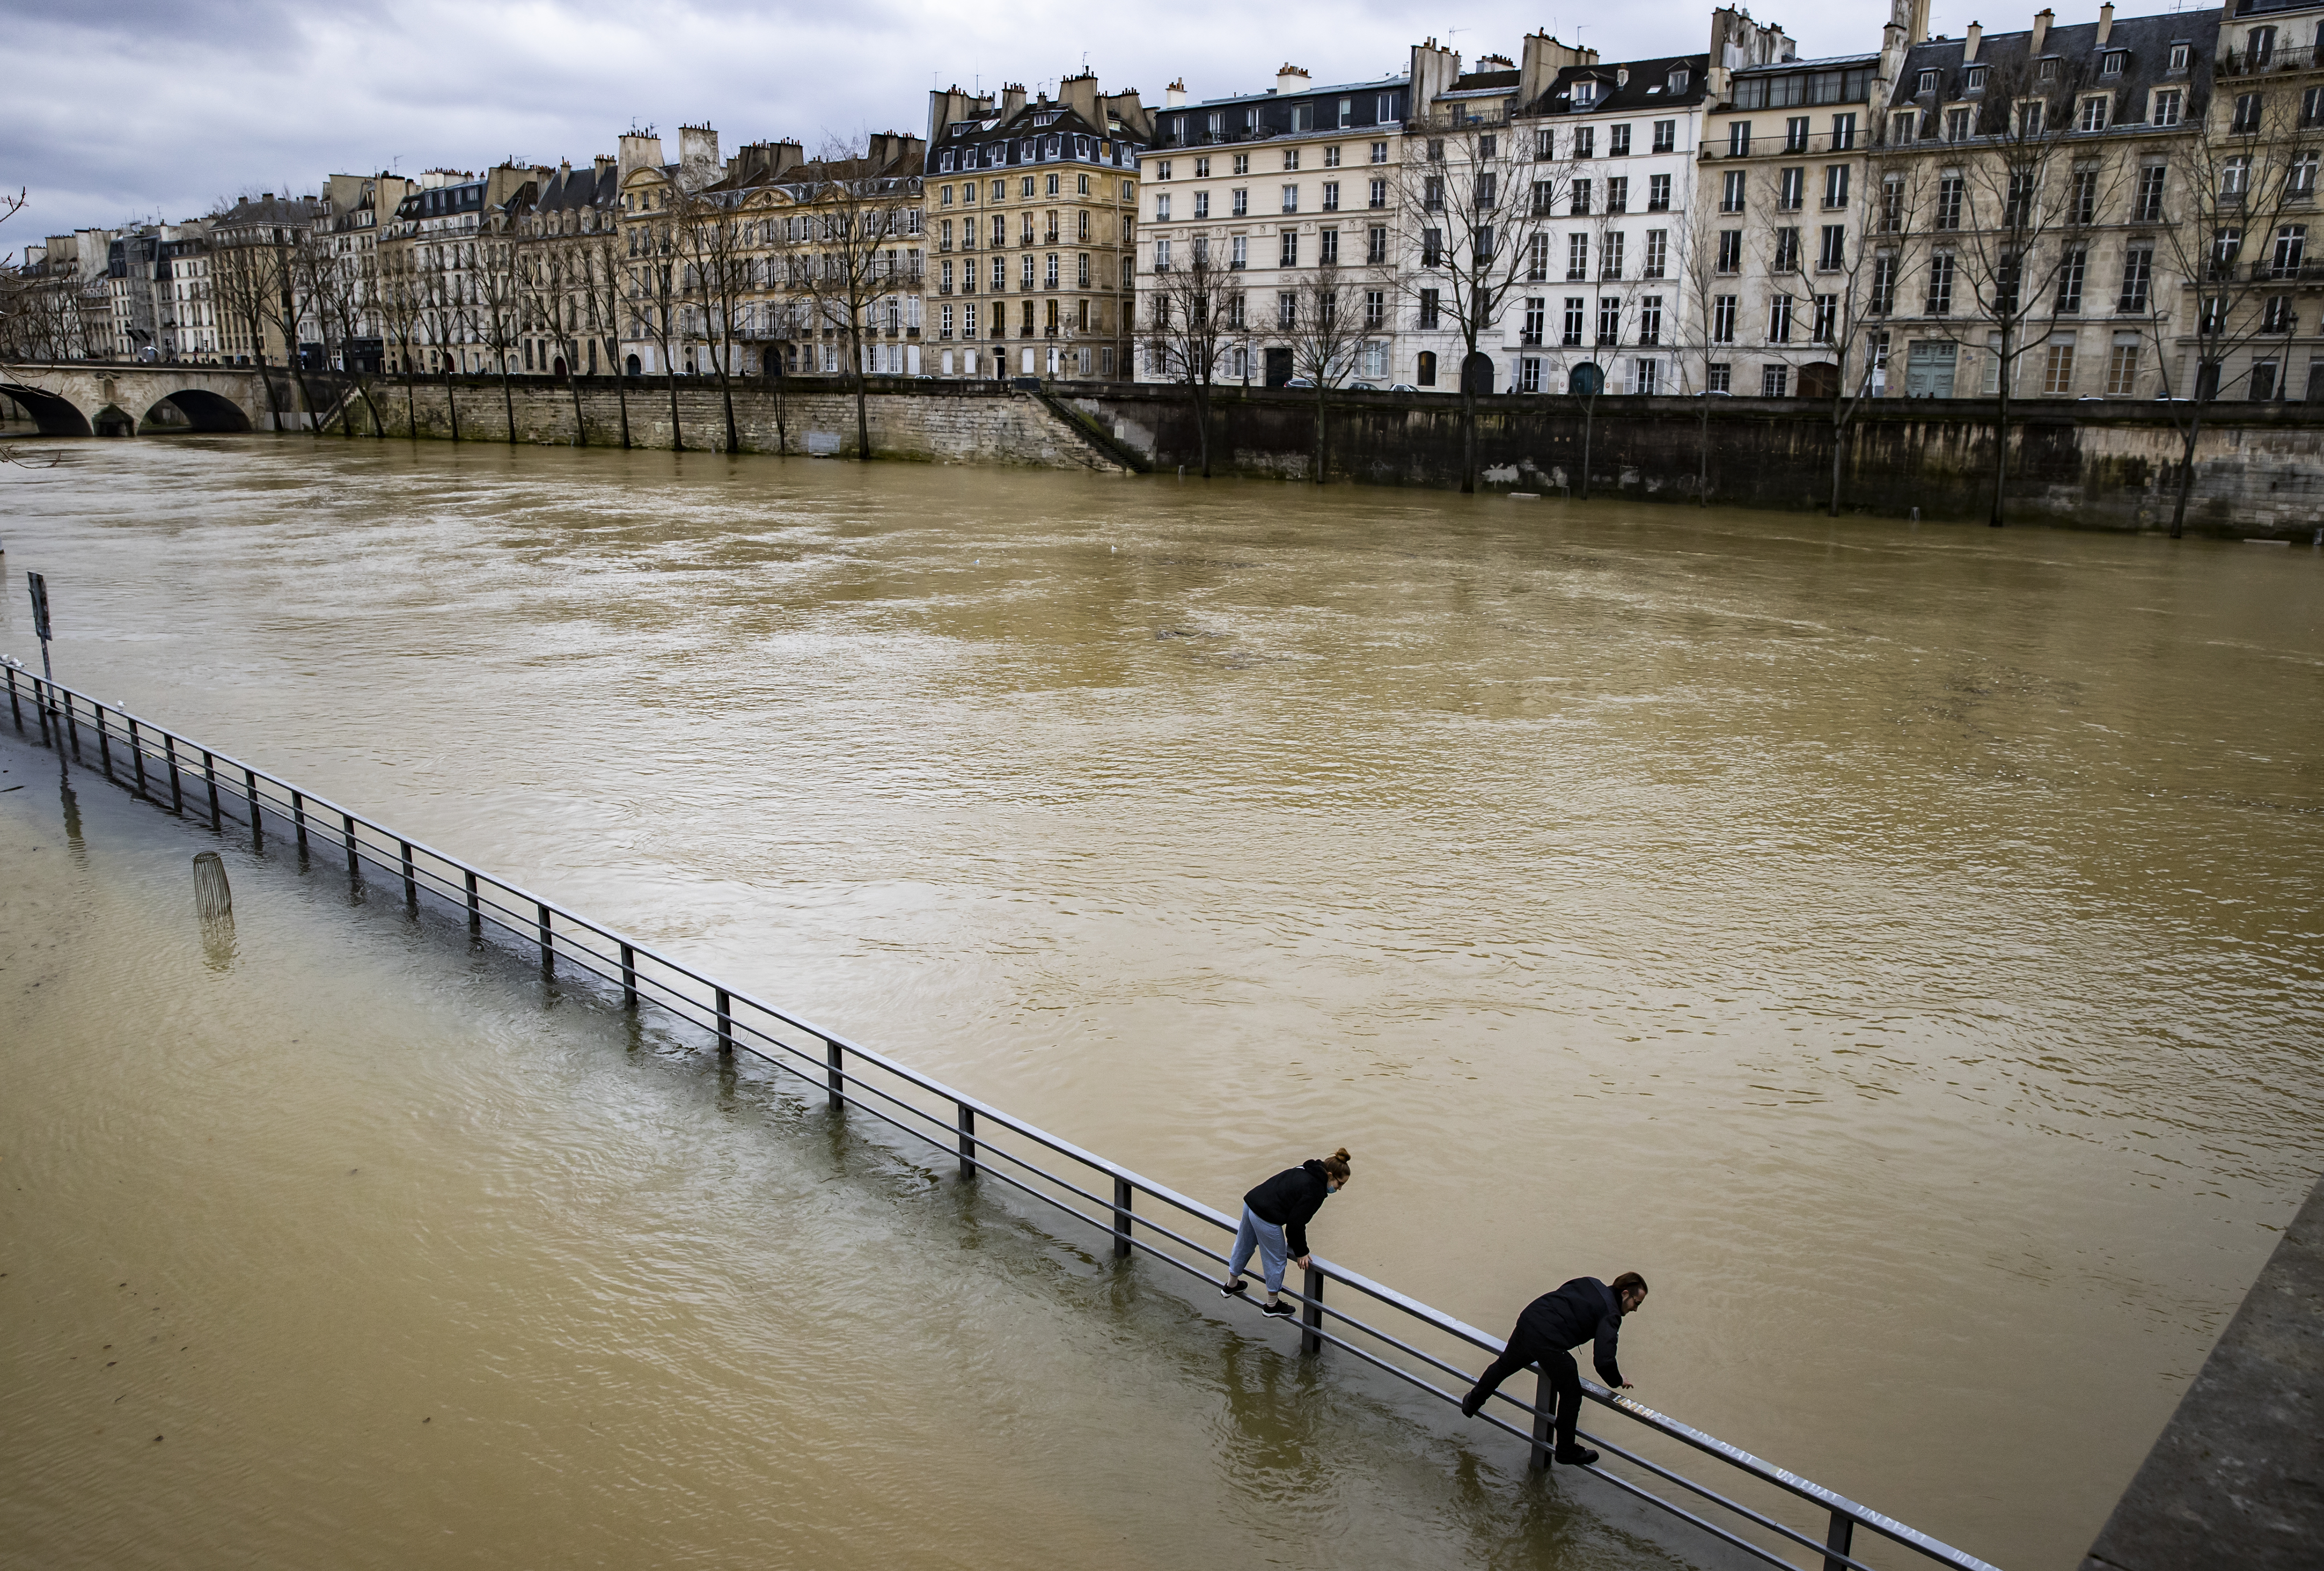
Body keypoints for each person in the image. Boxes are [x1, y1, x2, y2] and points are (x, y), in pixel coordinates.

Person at [1458, 1272, 1648, 1466]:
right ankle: (1566, 1451)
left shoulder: (1590, 1282)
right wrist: (1617, 1380)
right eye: (1637, 1303)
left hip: (1530, 1318)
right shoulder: (1612, 1314)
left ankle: (1472, 1402)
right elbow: (1604, 1361)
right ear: (1625, 1294)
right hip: (1547, 1340)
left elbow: (1563, 1297)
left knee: (1504, 1365)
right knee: (1571, 1393)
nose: (1635, 1309)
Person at [1219, 1148, 1353, 1318]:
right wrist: (1302, 1252)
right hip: (1266, 1216)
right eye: (1340, 1184)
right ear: (1329, 1175)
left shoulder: (1304, 1168)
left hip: (1252, 1202)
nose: (1340, 1189)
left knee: (1243, 1245)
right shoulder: (1316, 1192)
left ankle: (1231, 1285)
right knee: (1276, 1260)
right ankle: (1272, 1306)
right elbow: (1296, 1225)